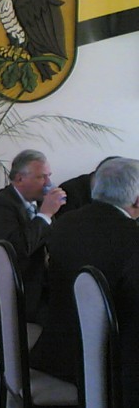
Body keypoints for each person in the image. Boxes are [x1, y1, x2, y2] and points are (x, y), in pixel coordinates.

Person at [30, 157, 139, 406]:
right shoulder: (132, 239)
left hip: (57, 353)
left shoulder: (63, 223)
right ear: (136, 200)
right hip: (110, 367)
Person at [0, 149, 66, 324]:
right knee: (69, 318)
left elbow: (53, 241)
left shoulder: (38, 202)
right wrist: (45, 215)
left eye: (49, 176)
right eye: (41, 177)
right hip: (14, 293)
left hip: (39, 283)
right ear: (19, 179)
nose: (49, 183)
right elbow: (18, 249)